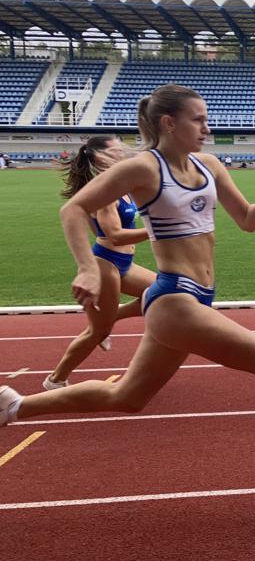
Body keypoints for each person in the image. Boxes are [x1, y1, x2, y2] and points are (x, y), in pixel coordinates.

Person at [0, 85, 255, 491]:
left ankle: (14, 405)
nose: (207, 128)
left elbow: (246, 221)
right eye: (198, 120)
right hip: (175, 298)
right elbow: (73, 208)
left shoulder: (209, 165)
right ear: (169, 123)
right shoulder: (144, 168)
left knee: (128, 398)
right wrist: (87, 268)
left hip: (197, 297)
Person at [43, 136, 157, 390]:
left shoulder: (120, 185)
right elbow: (114, 235)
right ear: (100, 157)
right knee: (98, 333)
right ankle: (56, 379)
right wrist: (156, 230)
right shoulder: (105, 192)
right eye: (117, 149)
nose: (124, 152)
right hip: (106, 264)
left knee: (163, 292)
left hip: (124, 263)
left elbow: (100, 229)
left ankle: (110, 317)